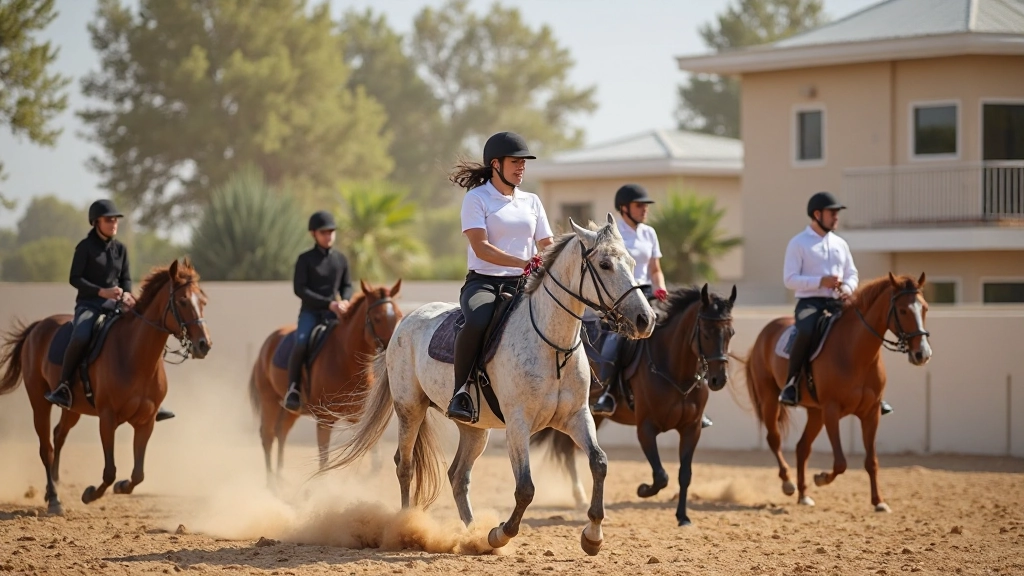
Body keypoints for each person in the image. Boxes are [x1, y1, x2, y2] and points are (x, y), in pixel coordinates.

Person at [445, 131, 554, 423]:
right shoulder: (477, 199)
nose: (522, 167)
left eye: (524, 163)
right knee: (479, 319)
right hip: (485, 283)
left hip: (525, 285)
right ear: (496, 164)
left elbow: (548, 246)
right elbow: (481, 249)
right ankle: (461, 392)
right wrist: (522, 262)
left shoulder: (532, 201)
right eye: (515, 162)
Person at [589, 184, 714, 428]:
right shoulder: (614, 235)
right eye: (639, 205)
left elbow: (655, 269)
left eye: (646, 206)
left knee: (684, 333)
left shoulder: (649, 233)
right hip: (621, 298)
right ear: (624, 209)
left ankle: (694, 400)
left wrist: (661, 288)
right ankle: (606, 394)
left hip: (648, 294)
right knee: (618, 340)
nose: (645, 210)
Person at [44, 200, 175, 421]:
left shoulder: (121, 249)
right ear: (96, 222)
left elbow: (126, 278)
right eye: (109, 220)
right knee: (81, 335)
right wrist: (100, 292)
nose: (114, 223)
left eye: (115, 220)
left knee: (145, 333)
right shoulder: (84, 248)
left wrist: (125, 293)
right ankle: (64, 387)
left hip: (116, 306)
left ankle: (152, 397)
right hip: (89, 305)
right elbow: (74, 278)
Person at [780, 191, 893, 415]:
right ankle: (791, 384)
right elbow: (789, 279)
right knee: (806, 331)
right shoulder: (798, 243)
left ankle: (874, 393)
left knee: (863, 331)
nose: (836, 218)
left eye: (836, 213)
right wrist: (820, 281)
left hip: (838, 303)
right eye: (832, 213)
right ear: (817, 214)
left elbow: (852, 273)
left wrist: (848, 289)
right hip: (809, 304)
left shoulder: (841, 244)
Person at [282, 210, 352, 414]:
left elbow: (347, 285)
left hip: (335, 313)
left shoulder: (341, 259)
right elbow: (300, 289)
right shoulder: (305, 260)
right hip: (311, 313)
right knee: (301, 341)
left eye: (331, 231)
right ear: (313, 234)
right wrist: (329, 303)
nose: (328, 235)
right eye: (324, 232)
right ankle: (293, 389)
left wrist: (346, 300)